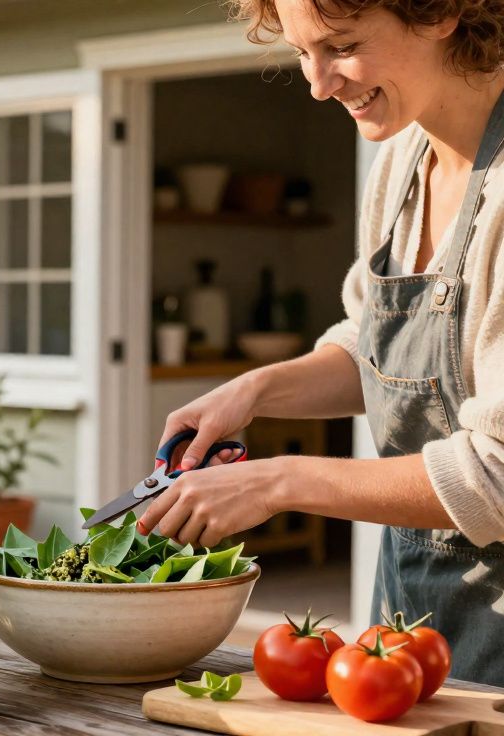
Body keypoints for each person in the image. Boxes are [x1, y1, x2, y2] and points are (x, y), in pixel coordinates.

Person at [137, 0, 504, 685]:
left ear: (442, 13)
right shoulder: (401, 161)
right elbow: (371, 343)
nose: (318, 82)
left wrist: (279, 481)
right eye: (305, 53)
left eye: (341, 45)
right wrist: (253, 392)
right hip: (408, 626)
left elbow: (497, 473)